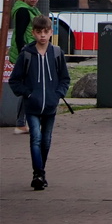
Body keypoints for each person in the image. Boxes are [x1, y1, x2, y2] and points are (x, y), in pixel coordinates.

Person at [9, 15, 71, 190]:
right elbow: (15, 80)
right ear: (33, 33)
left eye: (46, 32)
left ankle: (40, 171)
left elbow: (65, 79)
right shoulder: (26, 54)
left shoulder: (57, 53)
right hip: (32, 106)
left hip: (50, 106)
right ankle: (38, 174)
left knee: (46, 140)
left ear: (51, 32)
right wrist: (28, 94)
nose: (42, 35)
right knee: (35, 138)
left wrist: (57, 94)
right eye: (39, 32)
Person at [8, 0, 42, 135]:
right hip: (27, 54)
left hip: (29, 53)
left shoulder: (30, 10)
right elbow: (20, 35)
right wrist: (25, 54)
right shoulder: (23, 11)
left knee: (30, 87)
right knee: (28, 88)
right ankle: (21, 123)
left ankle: (22, 122)